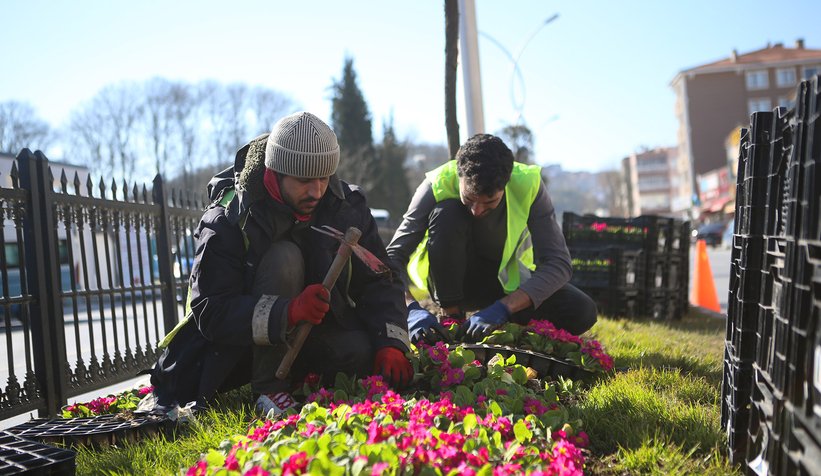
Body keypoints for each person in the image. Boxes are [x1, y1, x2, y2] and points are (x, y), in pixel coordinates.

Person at [149, 112, 412, 415]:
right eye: (303, 180)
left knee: (361, 353)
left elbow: (380, 279)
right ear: (275, 173)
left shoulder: (345, 207)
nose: (316, 191)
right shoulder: (228, 218)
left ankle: (297, 378)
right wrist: (288, 311)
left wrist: (390, 342)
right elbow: (211, 311)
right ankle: (269, 389)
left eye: (324, 178)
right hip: (235, 352)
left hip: (310, 337)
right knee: (284, 257)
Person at [387, 133, 597, 344]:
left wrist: (504, 307)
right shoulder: (436, 185)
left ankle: (501, 328)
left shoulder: (528, 186)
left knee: (582, 310)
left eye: (489, 202)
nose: (476, 211)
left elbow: (558, 264)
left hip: (503, 285)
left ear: (505, 184)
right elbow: (392, 257)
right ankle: (452, 321)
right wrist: (411, 309)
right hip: (453, 285)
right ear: (459, 175)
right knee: (447, 213)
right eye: (468, 199)